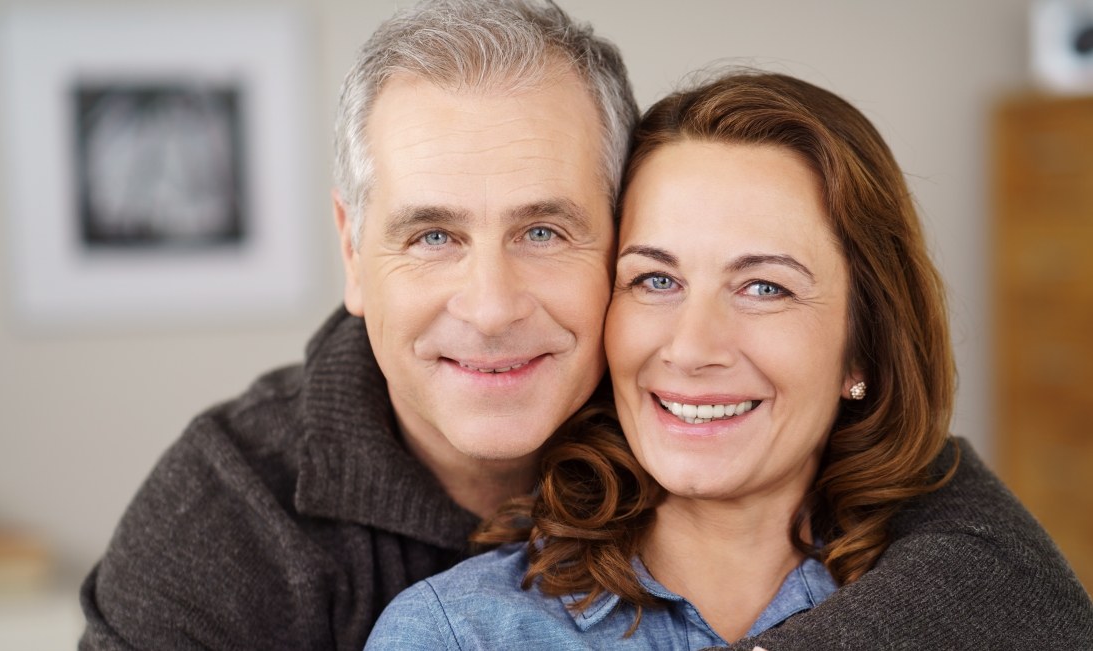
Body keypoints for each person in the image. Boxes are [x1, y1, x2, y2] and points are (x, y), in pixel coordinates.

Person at [80, 2, 1088, 649]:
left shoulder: (693, 395)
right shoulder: (226, 517)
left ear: (616, 231)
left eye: (545, 230)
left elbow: (1008, 576)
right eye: (431, 234)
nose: (489, 305)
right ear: (351, 253)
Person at [365, 70, 1093, 649]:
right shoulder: (460, 633)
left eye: (764, 286)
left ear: (862, 348)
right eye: (656, 279)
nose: (691, 346)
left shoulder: (980, 605)